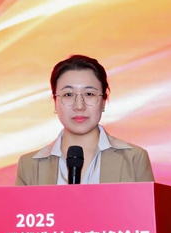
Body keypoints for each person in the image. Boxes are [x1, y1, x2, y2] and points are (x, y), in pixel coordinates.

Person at [15, 54, 154, 185]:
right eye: (68, 94)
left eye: (89, 94)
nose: (79, 106)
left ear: (103, 101)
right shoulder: (29, 166)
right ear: (55, 102)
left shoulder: (134, 159)